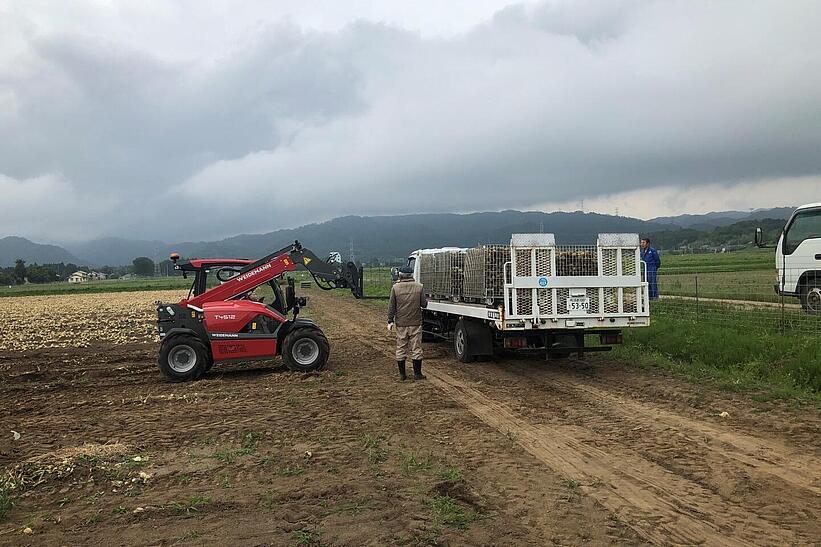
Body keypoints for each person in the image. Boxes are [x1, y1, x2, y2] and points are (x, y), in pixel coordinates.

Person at [387, 266, 428, 381]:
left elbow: (391, 307)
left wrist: (390, 320)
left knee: (401, 348)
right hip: (415, 322)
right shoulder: (419, 287)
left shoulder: (395, 288)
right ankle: (417, 374)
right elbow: (424, 304)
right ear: (411, 275)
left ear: (400, 275)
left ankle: (402, 375)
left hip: (401, 323)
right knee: (416, 348)